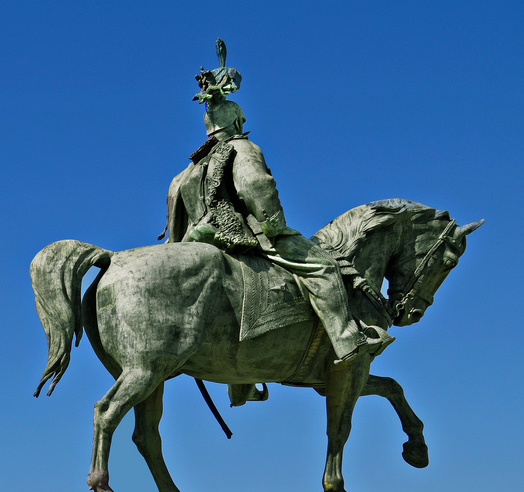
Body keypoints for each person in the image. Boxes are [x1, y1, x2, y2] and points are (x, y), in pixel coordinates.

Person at [163, 42, 393, 377]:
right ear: (238, 119)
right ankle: (348, 341)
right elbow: (257, 187)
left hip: (196, 241)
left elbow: (174, 225)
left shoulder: (185, 172)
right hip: (237, 234)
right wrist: (274, 226)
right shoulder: (241, 148)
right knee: (324, 268)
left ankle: (241, 382)